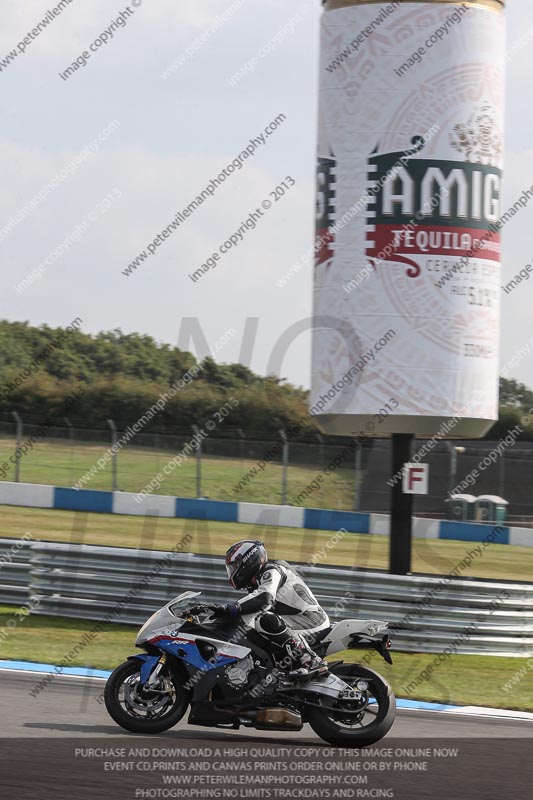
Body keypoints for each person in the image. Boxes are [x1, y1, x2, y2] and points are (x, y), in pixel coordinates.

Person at [214, 539, 330, 676]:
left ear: (248, 561)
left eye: (234, 566)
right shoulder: (257, 583)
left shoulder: (272, 570)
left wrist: (230, 608)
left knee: (265, 620)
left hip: (313, 619)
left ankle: (312, 661)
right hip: (295, 621)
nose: (232, 572)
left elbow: (265, 599)